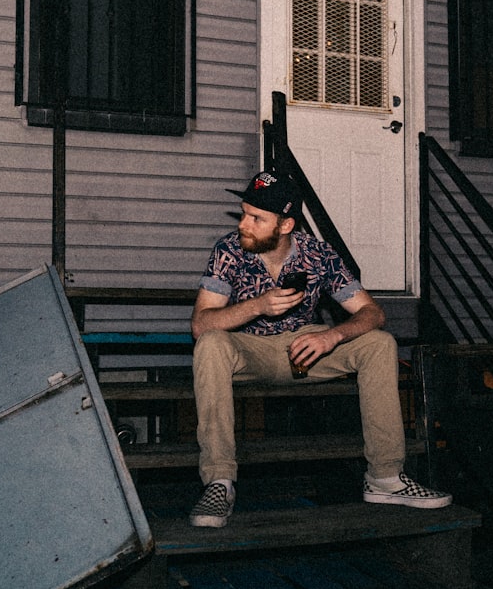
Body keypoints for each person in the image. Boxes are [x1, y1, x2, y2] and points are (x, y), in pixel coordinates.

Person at [189, 170, 451, 528]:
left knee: (379, 343)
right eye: (243, 213)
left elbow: (372, 312)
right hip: (251, 350)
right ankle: (219, 482)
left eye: (256, 218)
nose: (244, 225)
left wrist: (333, 337)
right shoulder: (228, 250)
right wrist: (258, 306)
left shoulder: (317, 253)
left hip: (306, 349)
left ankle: (385, 477)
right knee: (211, 343)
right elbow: (201, 324)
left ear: (285, 225)